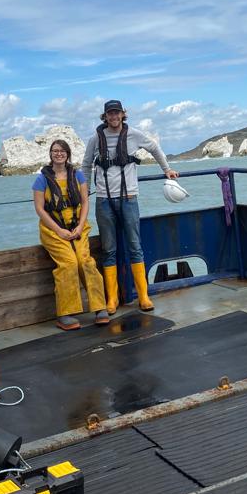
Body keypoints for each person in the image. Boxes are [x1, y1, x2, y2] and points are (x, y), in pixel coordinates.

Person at [82, 99, 179, 314]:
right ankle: (113, 298)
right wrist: (84, 190)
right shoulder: (95, 139)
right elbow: (86, 164)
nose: (114, 117)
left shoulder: (135, 135)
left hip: (129, 198)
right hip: (104, 200)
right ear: (105, 116)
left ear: (123, 114)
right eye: (110, 114)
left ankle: (143, 296)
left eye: (117, 113)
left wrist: (167, 169)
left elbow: (154, 147)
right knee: (109, 249)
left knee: (135, 246)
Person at [33, 139, 109, 330]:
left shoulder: (78, 175)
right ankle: (66, 313)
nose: (58, 154)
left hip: (78, 227)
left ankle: (99, 307)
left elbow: (85, 202)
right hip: (53, 230)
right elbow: (40, 209)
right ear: (50, 154)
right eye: (55, 151)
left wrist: (80, 225)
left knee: (85, 261)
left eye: (62, 151)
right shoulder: (41, 179)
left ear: (68, 154)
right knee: (68, 264)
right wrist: (59, 230)